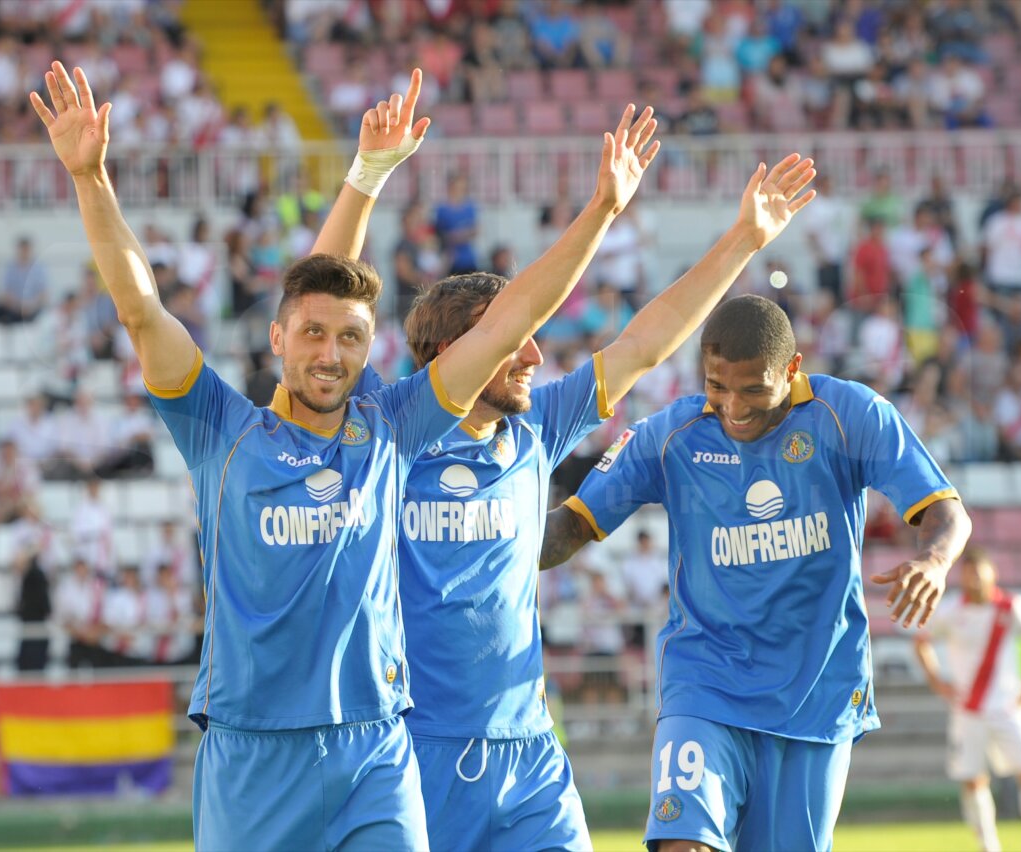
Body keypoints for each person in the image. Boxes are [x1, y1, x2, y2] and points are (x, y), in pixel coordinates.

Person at [30, 62, 647, 850]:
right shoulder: (221, 429)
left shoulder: (390, 427)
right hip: (252, 754)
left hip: (374, 752)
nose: (330, 352)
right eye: (313, 334)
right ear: (276, 338)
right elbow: (141, 308)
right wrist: (90, 179)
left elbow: (503, 326)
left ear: (371, 350)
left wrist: (600, 209)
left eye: (351, 337)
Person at [320, 125, 817, 844]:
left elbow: (646, 342)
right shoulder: (386, 437)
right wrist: (366, 173)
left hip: (529, 754)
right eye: (512, 339)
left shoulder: (535, 431)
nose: (531, 354)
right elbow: (326, 293)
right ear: (453, 354)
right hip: (414, 750)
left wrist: (742, 239)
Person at [540, 294, 973, 852]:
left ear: (792, 370)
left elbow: (946, 512)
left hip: (816, 690)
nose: (732, 406)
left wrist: (934, 562)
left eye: (751, 389)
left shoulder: (850, 415)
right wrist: (480, 544)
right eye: (717, 386)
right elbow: (569, 528)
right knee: (682, 843)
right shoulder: (671, 436)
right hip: (706, 681)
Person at [913, 549, 1021, 852]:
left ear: (993, 573)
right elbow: (922, 641)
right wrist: (938, 681)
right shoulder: (951, 610)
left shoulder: (1011, 606)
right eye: (969, 572)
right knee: (972, 779)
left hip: (1007, 707)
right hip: (968, 710)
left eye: (979, 572)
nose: (974, 578)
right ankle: (988, 846)